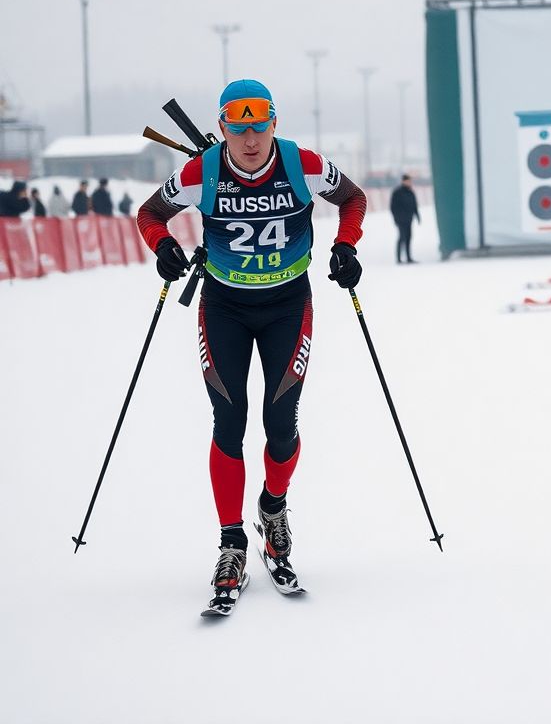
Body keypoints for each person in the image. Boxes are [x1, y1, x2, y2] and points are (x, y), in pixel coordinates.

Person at [137, 79, 367, 616]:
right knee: (229, 420)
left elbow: (353, 198)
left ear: (273, 123)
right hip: (225, 308)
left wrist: (346, 246)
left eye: (259, 126)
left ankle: (273, 507)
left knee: (281, 422)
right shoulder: (201, 171)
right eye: (238, 129)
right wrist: (163, 245)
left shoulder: (302, 163)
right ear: (222, 128)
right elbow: (150, 214)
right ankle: (232, 541)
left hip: (288, 305)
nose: (249, 139)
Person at [390, 173, 420, 263]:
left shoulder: (411, 192)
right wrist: (396, 218)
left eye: (410, 181)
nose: (410, 182)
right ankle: (398, 258)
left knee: (408, 237)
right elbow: (393, 207)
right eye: (408, 181)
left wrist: (417, 216)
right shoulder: (397, 192)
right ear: (403, 181)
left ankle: (408, 258)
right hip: (400, 220)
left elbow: (414, 205)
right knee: (402, 237)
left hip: (409, 219)